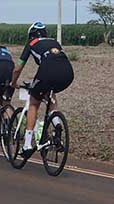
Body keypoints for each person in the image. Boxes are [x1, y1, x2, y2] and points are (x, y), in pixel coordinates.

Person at [10, 21, 75, 158]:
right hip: (68, 73)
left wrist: (13, 82)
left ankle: (27, 144)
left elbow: (18, 68)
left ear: (31, 35)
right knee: (50, 95)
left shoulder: (31, 43)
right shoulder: (54, 42)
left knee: (34, 103)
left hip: (47, 72)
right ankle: (57, 125)